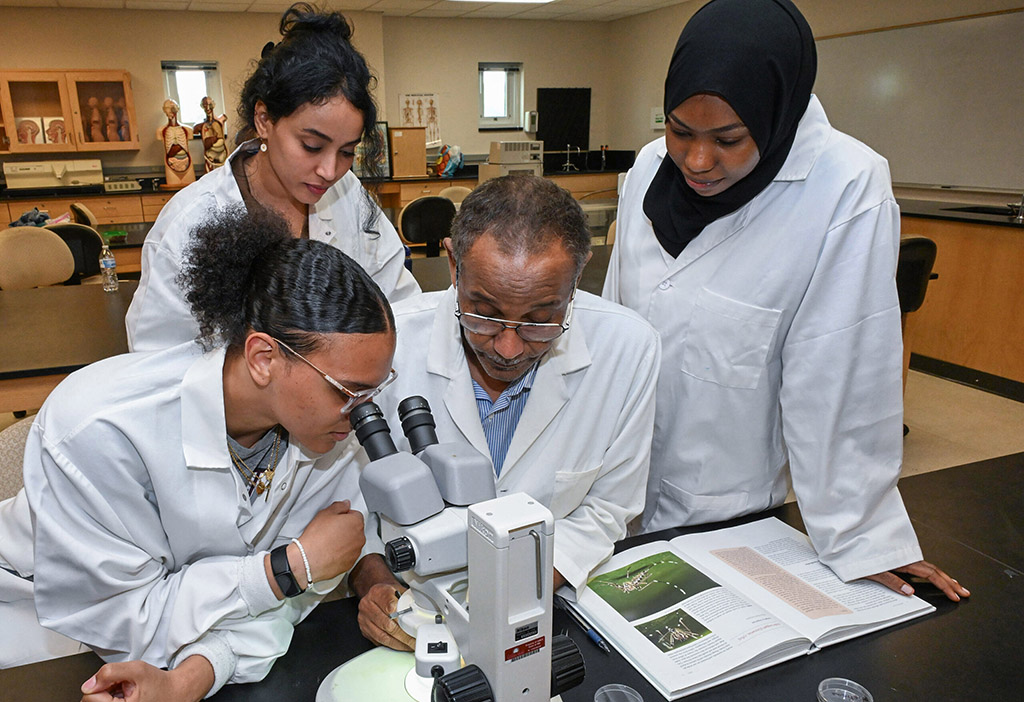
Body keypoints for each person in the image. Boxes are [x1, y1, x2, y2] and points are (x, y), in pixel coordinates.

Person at [603, 0, 969, 601]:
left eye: (727, 138)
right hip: (618, 493)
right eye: (679, 130)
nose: (697, 161)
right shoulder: (648, 168)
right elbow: (617, 325)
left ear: (777, 114)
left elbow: (840, 371)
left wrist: (861, 537)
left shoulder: (845, 185)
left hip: (729, 506)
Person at [0, 205, 399, 699]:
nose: (363, 414)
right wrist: (285, 566)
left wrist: (190, 679)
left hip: (179, 657)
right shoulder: (99, 428)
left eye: (373, 393)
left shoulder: (327, 439)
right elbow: (131, 623)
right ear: (263, 358)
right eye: (348, 391)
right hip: (38, 631)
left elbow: (282, 607)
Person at [357, 175, 661, 650]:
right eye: (483, 313)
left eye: (541, 321)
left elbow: (607, 509)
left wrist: (511, 590)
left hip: (543, 601)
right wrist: (374, 583)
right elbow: (353, 506)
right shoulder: (390, 347)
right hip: (414, 607)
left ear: (576, 282)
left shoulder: (629, 349)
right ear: (454, 266)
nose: (508, 346)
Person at [126, 2, 419, 353]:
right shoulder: (190, 222)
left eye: (346, 152)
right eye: (312, 146)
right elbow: (154, 360)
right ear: (264, 120)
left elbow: (398, 306)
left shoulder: (348, 193)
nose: (330, 171)